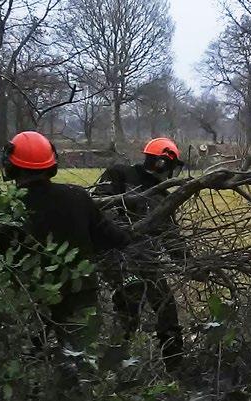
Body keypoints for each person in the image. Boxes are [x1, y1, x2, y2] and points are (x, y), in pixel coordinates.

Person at [0, 131, 131, 392]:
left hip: (28, 303)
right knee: (82, 368)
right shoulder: (77, 197)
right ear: (51, 164)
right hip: (80, 296)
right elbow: (112, 237)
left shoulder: (5, 211)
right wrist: (133, 231)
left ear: (10, 166)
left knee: (22, 369)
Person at [92, 137, 186, 370]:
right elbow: (98, 206)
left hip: (147, 260)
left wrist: (189, 262)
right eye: (170, 166)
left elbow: (171, 237)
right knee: (130, 302)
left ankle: (175, 367)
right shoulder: (119, 174)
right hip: (115, 256)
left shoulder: (163, 197)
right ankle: (113, 367)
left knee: (166, 306)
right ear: (162, 163)